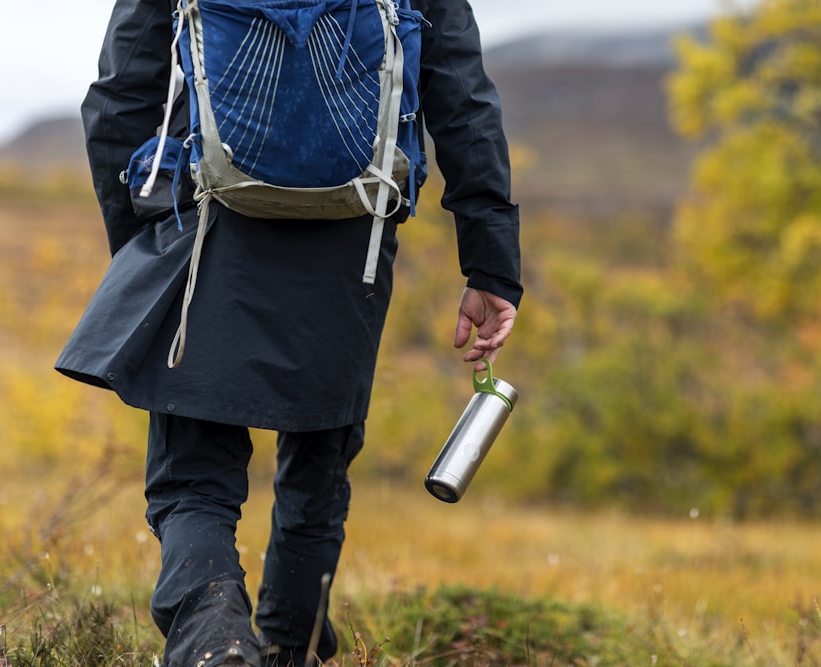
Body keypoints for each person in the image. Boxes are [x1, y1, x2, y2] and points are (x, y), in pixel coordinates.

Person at [55, 0, 522, 665]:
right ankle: (287, 645)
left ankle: (211, 640)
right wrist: (491, 264)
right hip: (353, 235)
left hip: (211, 221)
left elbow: (117, 95)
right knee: (319, 462)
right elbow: (465, 103)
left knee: (193, 476)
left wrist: (141, 246)